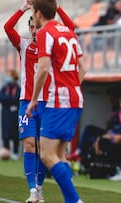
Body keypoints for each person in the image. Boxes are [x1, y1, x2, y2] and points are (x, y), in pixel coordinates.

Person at [3, 0, 76, 202]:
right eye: (32, 28)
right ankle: (32, 192)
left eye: (38, 27)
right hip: (27, 102)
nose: (35, 31)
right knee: (28, 145)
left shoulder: (51, 44)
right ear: (29, 29)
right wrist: (24, 8)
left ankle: (39, 188)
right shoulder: (23, 45)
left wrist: (56, 7)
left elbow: (70, 28)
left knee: (45, 150)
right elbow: (7, 28)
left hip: (48, 103)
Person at [25, 0, 86, 202]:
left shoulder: (44, 33)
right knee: (59, 156)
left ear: (39, 13)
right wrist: (72, 87)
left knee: (46, 155)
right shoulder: (69, 32)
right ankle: (71, 200)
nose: (33, 17)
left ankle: (76, 200)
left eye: (33, 13)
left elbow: (42, 68)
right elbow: (82, 68)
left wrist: (33, 100)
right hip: (75, 98)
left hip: (59, 100)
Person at [0, 69, 21, 161]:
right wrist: (9, 99)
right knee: (5, 133)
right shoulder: (5, 88)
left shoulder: (17, 88)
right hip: (5, 113)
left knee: (15, 132)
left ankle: (15, 153)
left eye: (9, 75)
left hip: (14, 114)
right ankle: (5, 152)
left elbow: (17, 99)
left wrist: (8, 99)